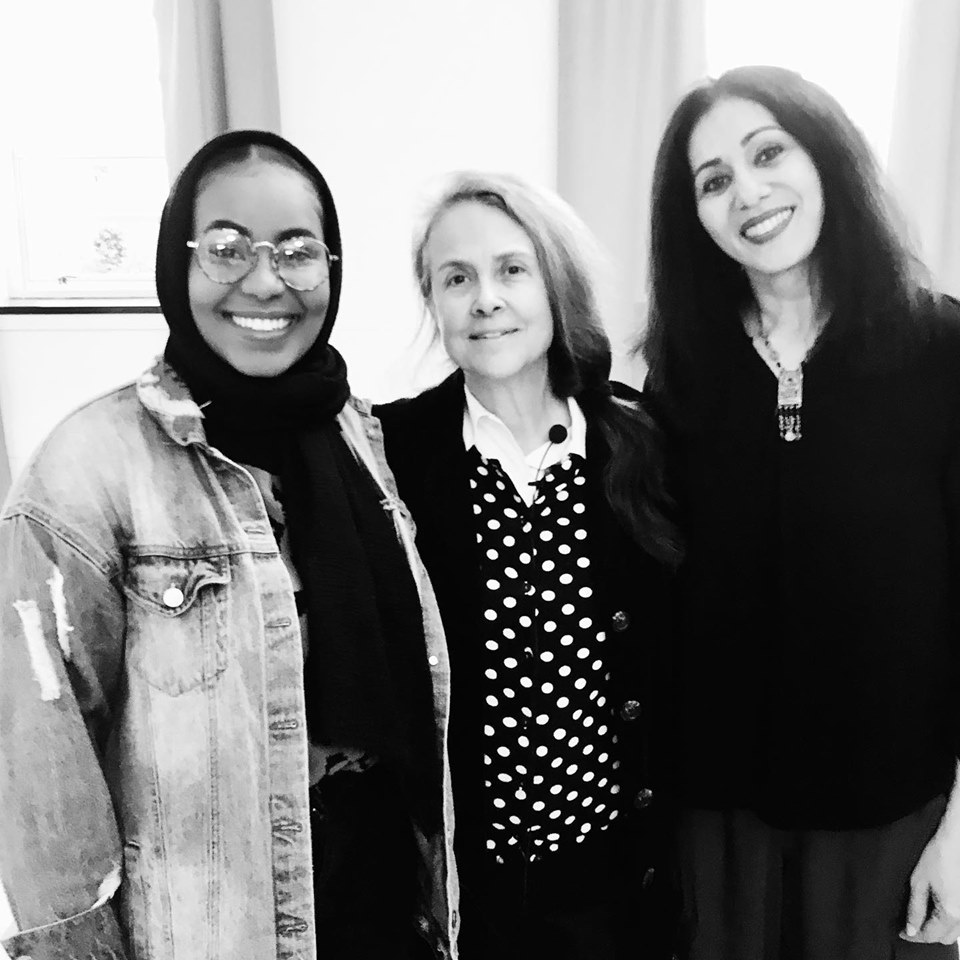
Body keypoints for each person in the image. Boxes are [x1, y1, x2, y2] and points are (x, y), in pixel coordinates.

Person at [0, 130, 456, 960]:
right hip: (218, 925)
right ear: (178, 264)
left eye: (298, 251)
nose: (265, 281)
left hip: (384, 898)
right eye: (226, 247)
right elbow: (41, 767)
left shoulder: (358, 438)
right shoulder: (90, 467)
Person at [643, 64, 960, 960]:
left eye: (768, 152)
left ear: (828, 159)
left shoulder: (940, 350)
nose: (747, 192)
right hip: (720, 824)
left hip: (893, 818)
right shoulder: (679, 374)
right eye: (713, 181)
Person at [375, 172, 682, 959]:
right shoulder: (390, 456)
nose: (486, 300)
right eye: (456, 278)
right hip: (467, 891)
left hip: (615, 877)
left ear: (556, 283)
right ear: (432, 302)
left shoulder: (642, 442)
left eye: (512, 269)